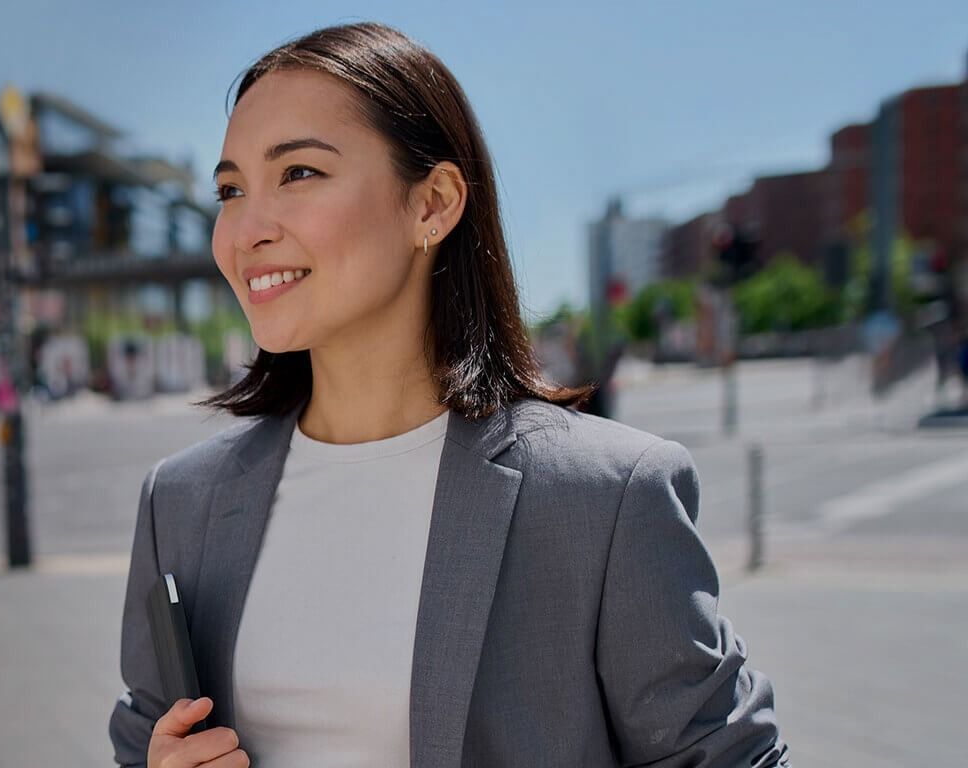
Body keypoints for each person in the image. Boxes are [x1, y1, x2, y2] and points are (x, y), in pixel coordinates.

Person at [109, 23, 788, 768]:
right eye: (231, 189)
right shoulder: (181, 502)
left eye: (299, 173)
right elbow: (138, 740)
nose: (247, 229)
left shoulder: (605, 498)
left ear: (432, 203)